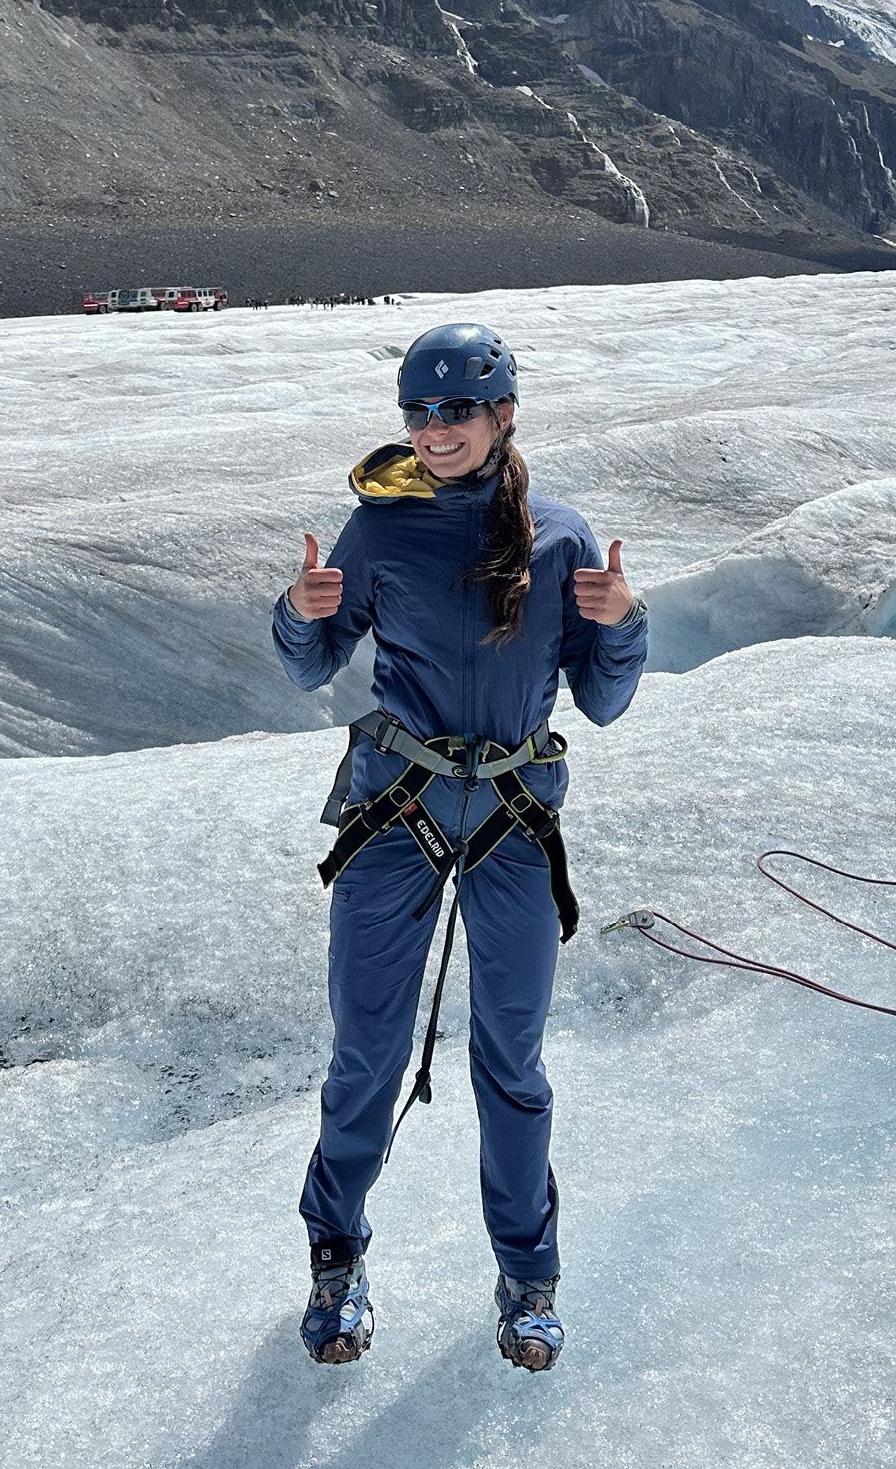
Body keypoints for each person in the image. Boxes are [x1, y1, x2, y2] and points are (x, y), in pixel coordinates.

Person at [273, 323, 649, 1375]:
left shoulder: (562, 537)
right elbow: (313, 663)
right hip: (395, 806)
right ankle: (334, 1257)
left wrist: (622, 621)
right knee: (366, 1050)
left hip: (513, 819)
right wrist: (298, 614)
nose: (432, 431)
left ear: (502, 414)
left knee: (511, 1061)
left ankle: (528, 1276)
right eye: (417, 412)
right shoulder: (378, 527)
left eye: (453, 410)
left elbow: (605, 700)